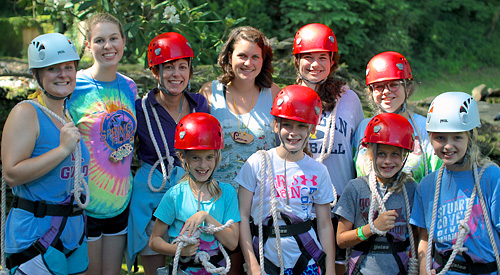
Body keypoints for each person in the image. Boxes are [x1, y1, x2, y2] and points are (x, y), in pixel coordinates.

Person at [2, 33, 89, 274]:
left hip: (73, 233)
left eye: (68, 67)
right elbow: (12, 174)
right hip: (35, 235)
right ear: (36, 75)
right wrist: (62, 150)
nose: (63, 75)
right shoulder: (26, 113)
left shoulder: (67, 114)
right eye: (52, 69)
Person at [126, 32, 209, 274]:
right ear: (155, 72)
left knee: (191, 265)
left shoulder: (200, 106)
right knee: (153, 263)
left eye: (182, 67)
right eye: (168, 67)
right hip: (151, 196)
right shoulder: (140, 109)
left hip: (191, 197)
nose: (176, 74)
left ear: (190, 71)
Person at [237, 85, 336, 275]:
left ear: (312, 128)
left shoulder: (319, 171)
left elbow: (324, 224)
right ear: (276, 125)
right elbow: (242, 216)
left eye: (301, 126)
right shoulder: (257, 163)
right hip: (266, 261)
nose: (293, 132)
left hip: (307, 260)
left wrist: (329, 268)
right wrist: (251, 264)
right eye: (287, 125)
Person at [67, 13, 137, 275]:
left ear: (123, 41)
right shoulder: (74, 87)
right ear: (88, 45)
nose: (108, 46)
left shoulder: (129, 86)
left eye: (113, 38)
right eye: (99, 40)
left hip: (120, 200)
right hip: (84, 202)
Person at [293, 23, 365, 274]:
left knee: (337, 268)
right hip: (299, 205)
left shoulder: (349, 98)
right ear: (297, 61)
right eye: (308, 58)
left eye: (322, 57)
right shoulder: (288, 97)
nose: (315, 64)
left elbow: (361, 153)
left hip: (341, 205)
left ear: (332, 60)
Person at [410, 92, 500, 275]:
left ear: (470, 138)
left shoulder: (491, 177)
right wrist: (423, 268)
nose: (448, 146)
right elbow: (425, 237)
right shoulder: (428, 185)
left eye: (457, 137)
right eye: (440, 138)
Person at [149, 112, 240, 275]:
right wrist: (178, 250)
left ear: (217, 156)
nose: (203, 165)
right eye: (196, 158)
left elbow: (232, 242)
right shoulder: (175, 195)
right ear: (183, 157)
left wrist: (206, 217)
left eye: (209, 157)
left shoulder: (227, 193)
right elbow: (154, 241)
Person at [335, 113, 418, 275]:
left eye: (395, 154)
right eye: (381, 154)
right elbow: (341, 240)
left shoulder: (411, 189)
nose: (388, 161)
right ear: (371, 155)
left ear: (404, 156)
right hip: (362, 269)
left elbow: (416, 236)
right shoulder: (356, 188)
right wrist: (372, 228)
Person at [199, 26, 280, 188]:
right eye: (242, 55)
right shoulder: (210, 93)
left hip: (261, 198)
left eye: (255, 57)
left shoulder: (273, 93)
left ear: (263, 60)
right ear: (230, 57)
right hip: (217, 195)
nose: (248, 63)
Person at [354, 51, 440, 184]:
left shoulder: (425, 127)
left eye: (394, 85)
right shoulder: (364, 127)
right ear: (371, 92)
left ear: (407, 88)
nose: (386, 91)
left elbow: (437, 177)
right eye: (379, 87)